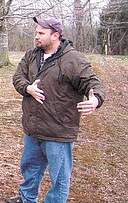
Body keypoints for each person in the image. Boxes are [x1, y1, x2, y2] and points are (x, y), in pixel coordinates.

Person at [9, 17, 106, 203]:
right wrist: (27, 88)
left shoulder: (73, 60)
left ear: (55, 36)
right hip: (33, 128)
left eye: (40, 33)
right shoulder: (32, 55)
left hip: (58, 132)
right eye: (36, 32)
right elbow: (18, 77)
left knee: (59, 180)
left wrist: (95, 99)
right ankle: (26, 198)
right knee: (30, 169)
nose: (36, 37)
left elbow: (93, 83)